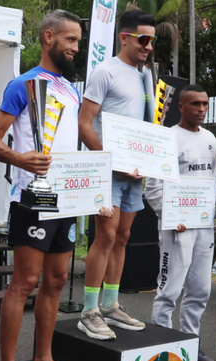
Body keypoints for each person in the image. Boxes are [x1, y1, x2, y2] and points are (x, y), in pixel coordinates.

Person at [0, 10, 87, 361]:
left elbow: (71, 144)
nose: (76, 48)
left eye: (79, 41)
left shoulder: (71, 90)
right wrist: (20, 159)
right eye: (71, 40)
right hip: (32, 197)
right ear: (48, 38)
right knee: (24, 282)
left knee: (58, 279)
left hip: (68, 198)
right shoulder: (22, 85)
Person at [76, 8, 158, 335]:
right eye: (143, 39)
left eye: (152, 41)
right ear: (124, 37)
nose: (148, 46)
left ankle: (110, 305)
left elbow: (147, 128)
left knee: (123, 237)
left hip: (135, 173)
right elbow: (84, 123)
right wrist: (108, 161)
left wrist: (149, 162)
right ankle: (88, 310)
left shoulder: (146, 76)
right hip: (108, 171)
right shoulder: (104, 71)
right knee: (106, 236)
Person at [144, 85, 216, 361]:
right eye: (195, 104)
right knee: (169, 290)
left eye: (204, 104)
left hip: (203, 225)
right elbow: (152, 187)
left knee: (201, 289)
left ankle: (190, 345)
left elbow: (215, 181)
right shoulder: (168, 138)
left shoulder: (211, 139)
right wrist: (169, 216)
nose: (201, 109)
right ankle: (160, 346)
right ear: (181, 106)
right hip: (177, 227)